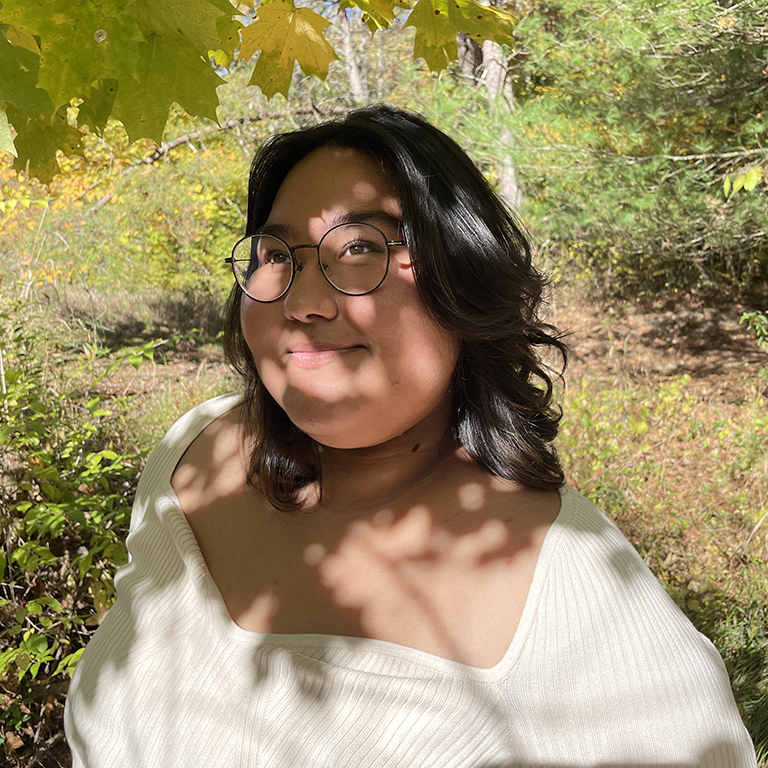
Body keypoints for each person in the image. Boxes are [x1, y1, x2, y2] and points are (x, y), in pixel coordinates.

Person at [64, 105, 757, 767]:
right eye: (279, 253)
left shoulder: (573, 590)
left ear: (464, 276)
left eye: (361, 247)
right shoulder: (197, 453)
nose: (303, 302)